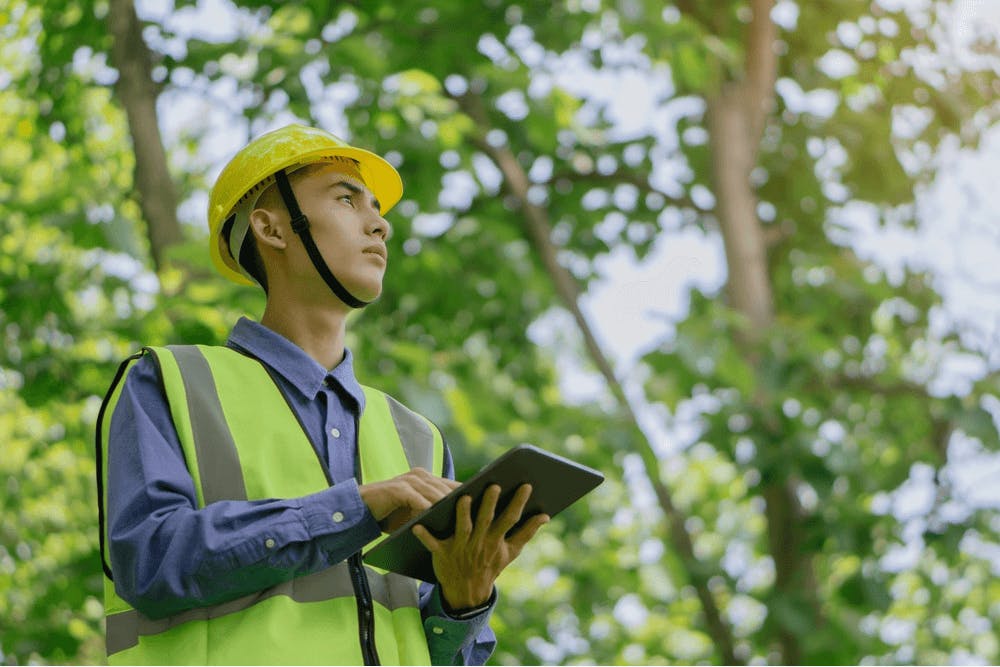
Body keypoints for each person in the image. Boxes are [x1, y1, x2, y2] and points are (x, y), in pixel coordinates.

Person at [96, 124, 550, 665]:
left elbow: (441, 651)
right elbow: (150, 562)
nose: (379, 225)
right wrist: (357, 508)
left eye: (378, 209)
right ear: (272, 228)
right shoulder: (169, 382)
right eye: (345, 199)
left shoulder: (417, 437)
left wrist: (464, 597)